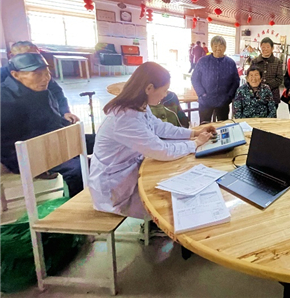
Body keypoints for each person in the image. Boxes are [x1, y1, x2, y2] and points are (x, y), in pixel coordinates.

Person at [89, 62, 216, 218]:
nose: (165, 95)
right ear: (149, 88)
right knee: (172, 207)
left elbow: (159, 127)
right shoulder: (125, 119)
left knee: (177, 181)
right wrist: (195, 143)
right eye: (164, 90)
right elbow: (162, 151)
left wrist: (193, 133)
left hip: (130, 171)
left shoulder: (139, 105)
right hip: (115, 189)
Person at [1, 53, 83, 197]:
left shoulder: (42, 90)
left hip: (52, 140)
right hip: (23, 153)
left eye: (47, 73)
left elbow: (51, 120)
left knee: (104, 142)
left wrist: (66, 123)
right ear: (15, 75)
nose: (45, 78)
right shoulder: (4, 99)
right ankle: (78, 204)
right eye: (37, 74)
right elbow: (8, 143)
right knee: (77, 169)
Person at [1, 41, 77, 123]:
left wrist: (65, 112)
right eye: (25, 57)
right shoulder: (3, 77)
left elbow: (57, 92)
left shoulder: (43, 75)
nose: (33, 60)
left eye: (36, 56)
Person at [191, 36, 240, 123]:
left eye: (221, 46)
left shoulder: (230, 63)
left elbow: (236, 81)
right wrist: (202, 94)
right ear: (211, 47)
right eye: (215, 46)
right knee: (204, 125)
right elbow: (195, 78)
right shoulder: (203, 61)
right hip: (205, 100)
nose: (218, 48)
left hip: (223, 101)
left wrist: (229, 96)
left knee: (223, 125)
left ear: (225, 47)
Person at [251, 37, 284, 108]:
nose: (265, 49)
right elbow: (250, 77)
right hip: (257, 95)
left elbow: (279, 79)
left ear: (272, 48)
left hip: (273, 96)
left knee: (271, 114)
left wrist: (266, 87)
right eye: (263, 47)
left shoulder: (277, 61)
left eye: (267, 47)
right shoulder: (255, 61)